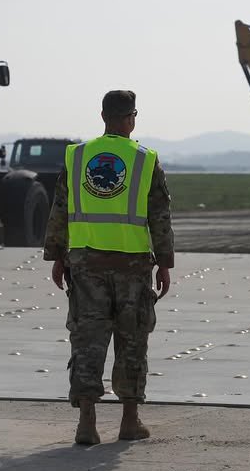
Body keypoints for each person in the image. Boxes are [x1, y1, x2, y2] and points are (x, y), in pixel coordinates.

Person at [44, 90, 175, 445]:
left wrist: (57, 256)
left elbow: (60, 208)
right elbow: (159, 217)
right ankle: (129, 421)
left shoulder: (77, 156)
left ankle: (87, 424)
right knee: (131, 340)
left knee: (88, 340)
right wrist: (164, 264)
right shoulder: (145, 160)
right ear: (131, 117)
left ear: (103, 116)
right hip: (132, 267)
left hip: (85, 264)